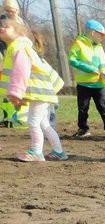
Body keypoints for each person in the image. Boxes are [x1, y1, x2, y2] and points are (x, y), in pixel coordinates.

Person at [0, 17, 66, 161]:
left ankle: (36, 152)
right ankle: (58, 151)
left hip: (40, 93)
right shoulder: (20, 47)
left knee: (33, 122)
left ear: (18, 31)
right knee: (44, 123)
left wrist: (16, 92)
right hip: (44, 92)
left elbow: (21, 70)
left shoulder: (18, 47)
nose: (2, 28)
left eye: (7, 26)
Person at [69, 20, 105, 138]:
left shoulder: (100, 48)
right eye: (102, 35)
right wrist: (89, 69)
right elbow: (72, 60)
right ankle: (83, 129)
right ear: (93, 33)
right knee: (83, 109)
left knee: (104, 108)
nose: (103, 38)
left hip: (99, 84)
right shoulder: (79, 44)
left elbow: (104, 65)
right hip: (84, 84)